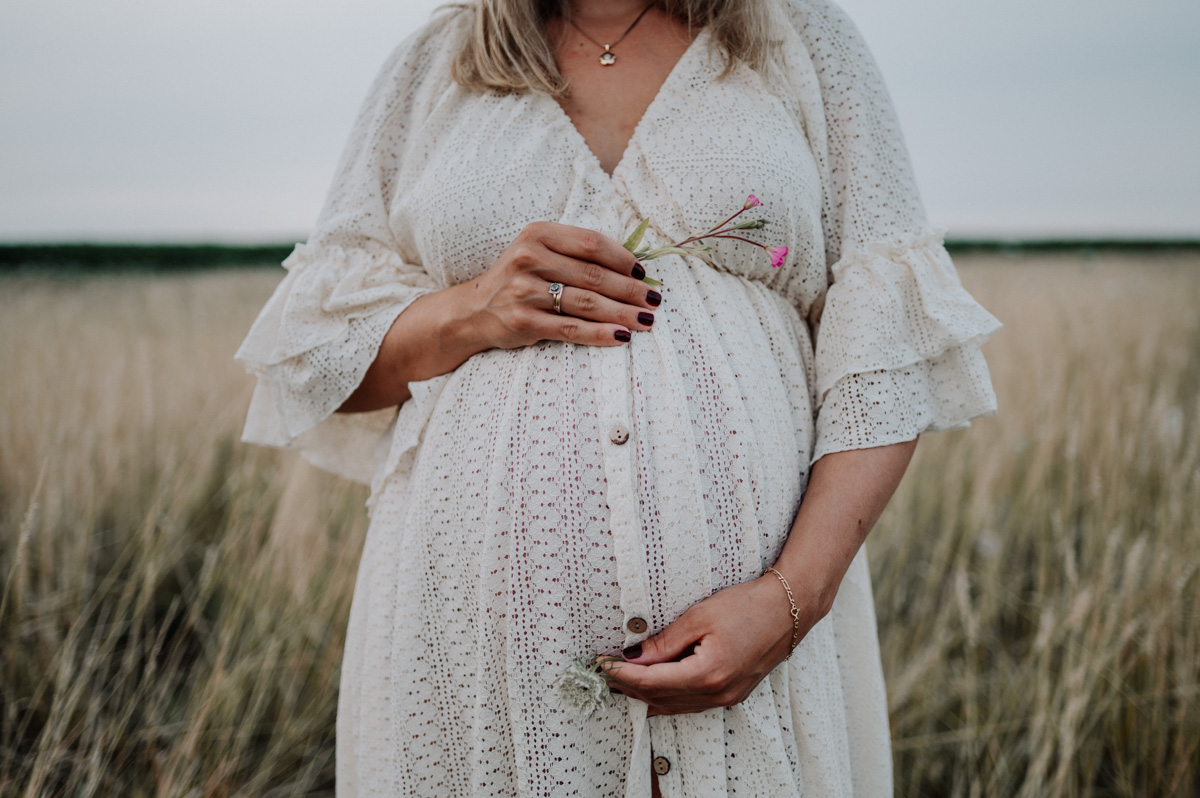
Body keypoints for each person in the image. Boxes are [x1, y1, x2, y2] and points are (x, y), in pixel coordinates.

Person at [235, 0, 1002, 794]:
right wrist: (472, 309)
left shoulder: (802, 38)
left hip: (756, 638)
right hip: (475, 654)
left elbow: (883, 349)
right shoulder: (434, 63)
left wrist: (792, 600)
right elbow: (321, 361)